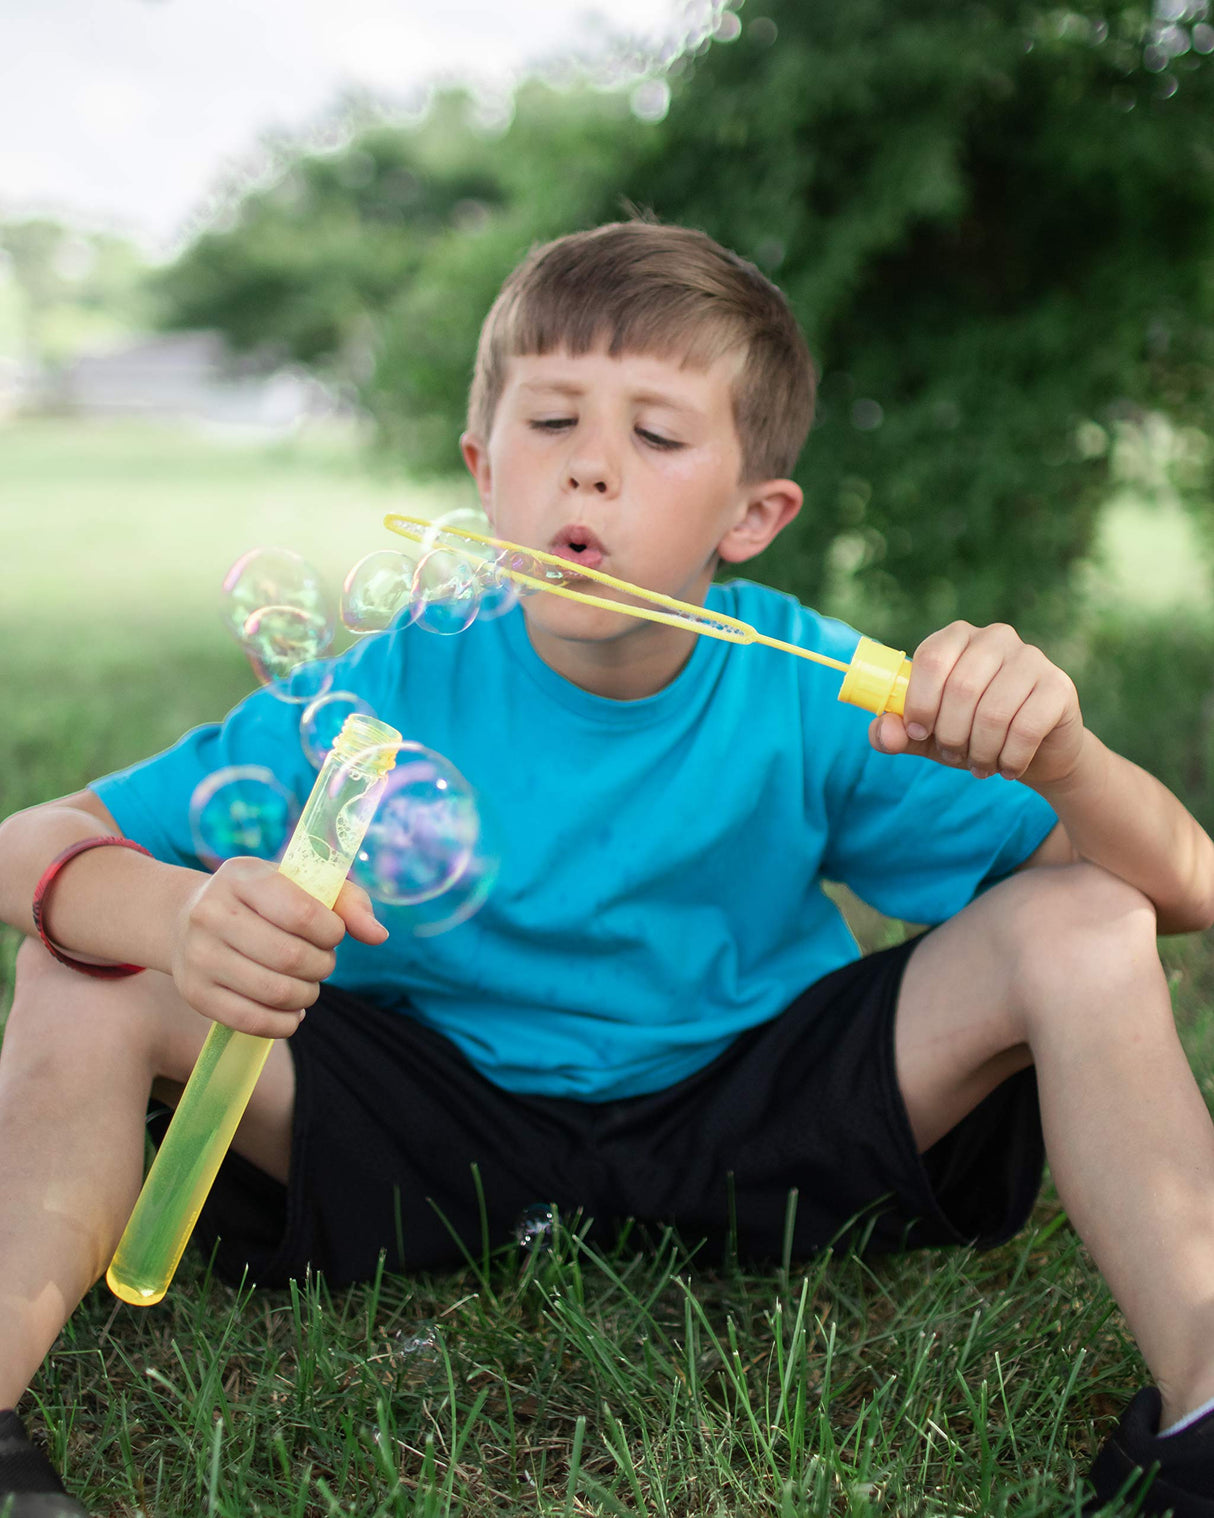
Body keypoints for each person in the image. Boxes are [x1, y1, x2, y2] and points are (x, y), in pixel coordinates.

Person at [1, 220, 1212, 1517]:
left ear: (753, 513)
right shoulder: (380, 682)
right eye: (551, 421)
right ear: (479, 466)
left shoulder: (811, 685)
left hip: (757, 1111)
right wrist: (176, 912)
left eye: (654, 434)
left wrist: (1066, 757)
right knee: (82, 959)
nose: (588, 471)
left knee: (1082, 917)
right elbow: (28, 845)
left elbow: (1176, 887)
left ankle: (1202, 1405)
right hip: (431, 1123)